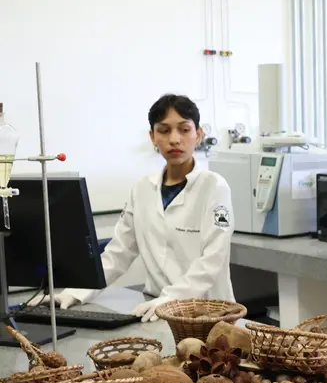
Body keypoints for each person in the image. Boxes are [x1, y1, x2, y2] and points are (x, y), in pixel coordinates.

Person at [31, 94, 235, 322]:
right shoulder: (142, 188)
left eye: (184, 129)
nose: (175, 139)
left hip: (208, 313)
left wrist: (171, 299)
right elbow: (119, 253)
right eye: (164, 130)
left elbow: (212, 260)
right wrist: (74, 293)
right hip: (155, 309)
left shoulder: (214, 186)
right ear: (152, 137)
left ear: (198, 135)